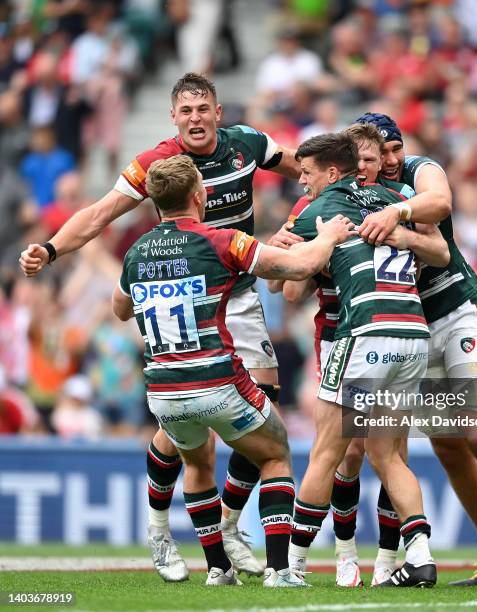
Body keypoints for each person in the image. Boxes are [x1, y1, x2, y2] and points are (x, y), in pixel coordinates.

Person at [19, 73, 301, 581]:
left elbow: (308, 168)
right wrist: (53, 248)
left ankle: (230, 526)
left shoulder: (249, 144)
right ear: (174, 117)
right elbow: (101, 212)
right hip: (185, 292)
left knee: (264, 402)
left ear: (218, 112)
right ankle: (159, 531)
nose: (195, 117)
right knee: (184, 423)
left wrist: (318, 204)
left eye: (203, 108)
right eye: (186, 110)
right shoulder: (158, 165)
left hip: (236, 290)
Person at [112, 154, 355, 586]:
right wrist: (331, 235)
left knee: (198, 463)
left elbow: (120, 307)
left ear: (155, 203)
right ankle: (280, 570)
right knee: (276, 453)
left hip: (163, 392)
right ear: (199, 195)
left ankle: (218, 570)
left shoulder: (135, 253)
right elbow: (297, 268)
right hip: (217, 382)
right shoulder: (222, 241)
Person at [355, 112, 477, 588]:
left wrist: (397, 216)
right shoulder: (354, 193)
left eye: (394, 147)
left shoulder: (420, 171)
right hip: (413, 330)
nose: (389, 158)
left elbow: (440, 202)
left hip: (460, 310)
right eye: (378, 151)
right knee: (447, 443)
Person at [270, 123, 450, 587]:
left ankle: (292, 567)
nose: (301, 181)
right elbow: (440, 249)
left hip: (364, 333)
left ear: (332, 172)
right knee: (388, 456)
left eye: (306, 173)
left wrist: (280, 247)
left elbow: (283, 281)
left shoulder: (322, 207)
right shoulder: (395, 202)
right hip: (411, 331)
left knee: (326, 453)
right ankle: (422, 558)